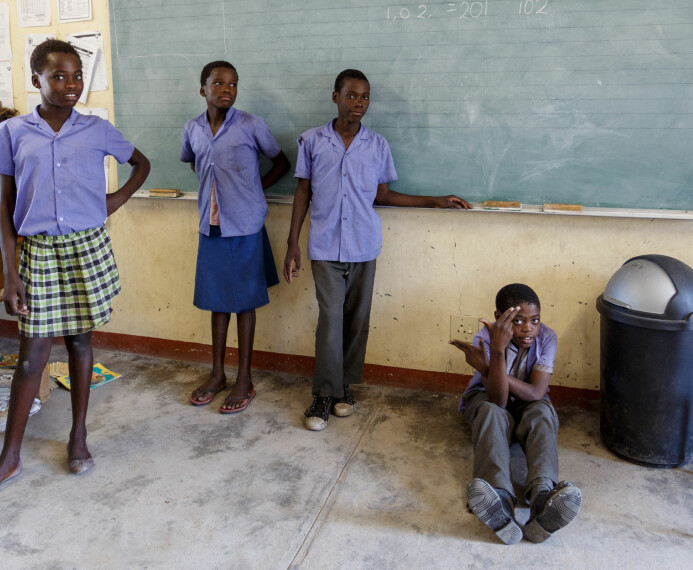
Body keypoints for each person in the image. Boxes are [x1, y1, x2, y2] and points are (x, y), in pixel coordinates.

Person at [0, 39, 151, 505]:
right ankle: (9, 458)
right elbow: (4, 208)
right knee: (31, 354)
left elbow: (141, 164)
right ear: (36, 81)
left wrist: (113, 202)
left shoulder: (97, 129)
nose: (70, 85)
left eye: (77, 76)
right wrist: (9, 273)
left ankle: (78, 435)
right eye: (58, 76)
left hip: (86, 246)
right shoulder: (12, 133)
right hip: (38, 252)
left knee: (82, 341)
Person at [283, 69, 471, 431]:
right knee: (330, 320)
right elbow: (303, 191)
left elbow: (383, 195)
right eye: (351, 95)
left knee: (356, 322)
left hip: (364, 245)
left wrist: (434, 201)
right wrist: (292, 243)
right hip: (324, 245)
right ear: (335, 96)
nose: (359, 103)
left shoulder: (377, 145)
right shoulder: (311, 140)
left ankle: (343, 390)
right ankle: (323, 395)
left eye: (365, 96)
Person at [181, 61, 291, 413]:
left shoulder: (250, 125)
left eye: (233, 84)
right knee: (217, 301)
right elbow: (194, 163)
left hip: (244, 223)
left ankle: (244, 378)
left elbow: (282, 162)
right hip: (210, 224)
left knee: (244, 301)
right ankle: (217, 374)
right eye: (218, 84)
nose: (226, 90)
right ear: (203, 89)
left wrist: (253, 189)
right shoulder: (192, 129)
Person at [450, 283, 582, 544]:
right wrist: (497, 351)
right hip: (488, 400)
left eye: (535, 320)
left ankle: (543, 499)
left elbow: (536, 393)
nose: (528, 328)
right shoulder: (485, 339)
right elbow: (497, 399)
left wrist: (489, 368)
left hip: (527, 405)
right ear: (500, 317)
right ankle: (499, 500)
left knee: (543, 411)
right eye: (518, 320)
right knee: (490, 413)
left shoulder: (546, 338)